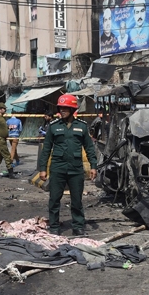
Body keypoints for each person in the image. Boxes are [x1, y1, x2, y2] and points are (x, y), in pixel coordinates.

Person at [39, 94, 97, 236]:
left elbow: (89, 148)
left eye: (66, 108)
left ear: (72, 109)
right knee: (54, 199)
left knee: (76, 200)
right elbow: (46, 149)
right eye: (61, 108)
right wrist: (42, 169)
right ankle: (54, 226)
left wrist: (93, 166)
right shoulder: (53, 127)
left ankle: (78, 225)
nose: (62, 110)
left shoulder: (82, 127)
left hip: (76, 169)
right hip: (58, 168)